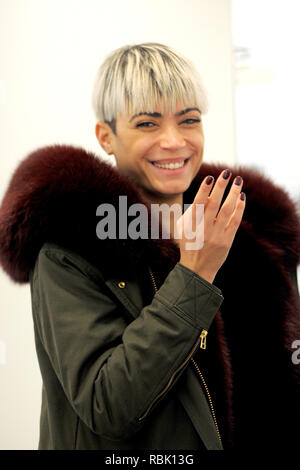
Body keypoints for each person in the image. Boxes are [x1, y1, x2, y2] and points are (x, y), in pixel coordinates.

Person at [0, 43, 299, 451]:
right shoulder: (69, 251)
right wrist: (194, 275)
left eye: (189, 120)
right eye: (147, 124)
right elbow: (108, 406)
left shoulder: (250, 238)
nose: (174, 141)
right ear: (106, 136)